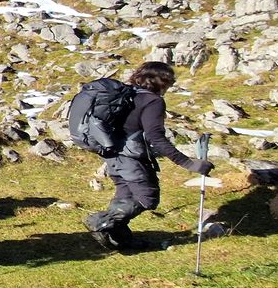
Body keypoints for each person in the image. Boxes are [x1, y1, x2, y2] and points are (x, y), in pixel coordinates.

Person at [83, 62, 214, 251]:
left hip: (111, 153)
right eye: (169, 82)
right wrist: (189, 164)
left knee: (126, 193)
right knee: (147, 197)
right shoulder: (153, 101)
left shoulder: (126, 94)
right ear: (161, 81)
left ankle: (121, 240)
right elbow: (156, 138)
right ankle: (102, 222)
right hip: (131, 156)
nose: (170, 86)